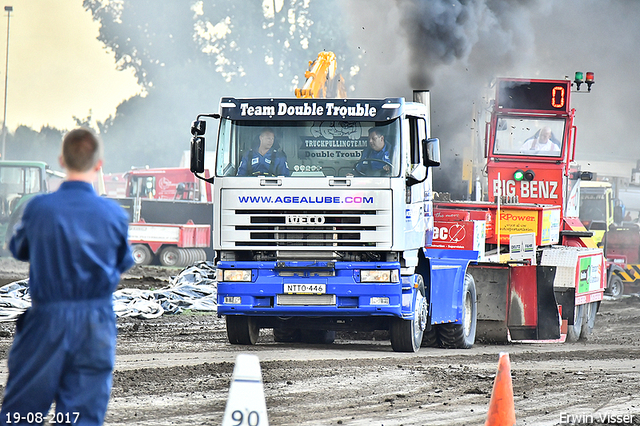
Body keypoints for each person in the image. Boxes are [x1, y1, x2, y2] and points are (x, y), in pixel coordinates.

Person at [0, 128, 134, 426]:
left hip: (46, 320)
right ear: (99, 163)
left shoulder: (40, 208)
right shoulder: (114, 215)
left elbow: (19, 249)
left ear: (62, 159)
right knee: (81, 417)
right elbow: (124, 261)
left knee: (22, 412)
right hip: (95, 323)